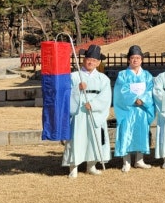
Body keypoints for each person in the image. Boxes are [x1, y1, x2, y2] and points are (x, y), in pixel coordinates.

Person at [62, 44, 111, 178]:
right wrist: (77, 89)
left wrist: (94, 104)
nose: (91, 62)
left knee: (93, 139)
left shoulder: (103, 78)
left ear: (98, 62)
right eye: (89, 59)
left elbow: (106, 97)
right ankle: (73, 167)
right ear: (84, 59)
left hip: (94, 113)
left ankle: (91, 165)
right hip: (78, 112)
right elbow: (65, 94)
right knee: (76, 138)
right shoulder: (74, 76)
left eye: (94, 60)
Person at [113, 45, 155, 172]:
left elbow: (150, 90)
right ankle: (126, 162)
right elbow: (121, 91)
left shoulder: (147, 75)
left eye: (138, 58)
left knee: (141, 133)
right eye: (132, 58)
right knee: (126, 132)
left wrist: (142, 99)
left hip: (142, 109)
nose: (135, 60)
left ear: (141, 60)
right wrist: (134, 99)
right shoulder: (122, 75)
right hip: (128, 110)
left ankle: (139, 160)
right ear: (128, 60)